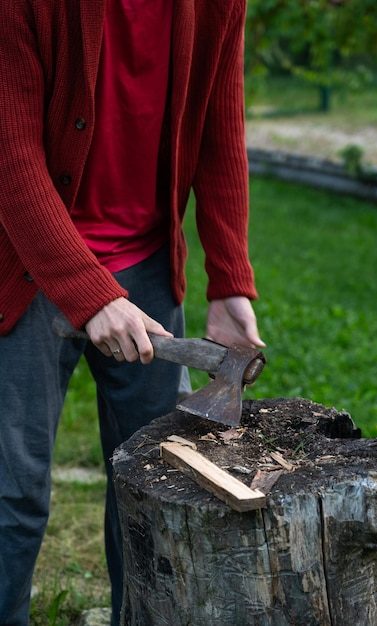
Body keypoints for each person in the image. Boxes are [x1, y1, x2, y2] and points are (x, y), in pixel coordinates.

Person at [0, 1, 264, 625]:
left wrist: (229, 281)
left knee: (153, 491)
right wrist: (89, 293)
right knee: (11, 498)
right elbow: (9, 155)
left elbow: (219, 131)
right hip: (22, 263)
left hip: (146, 265)